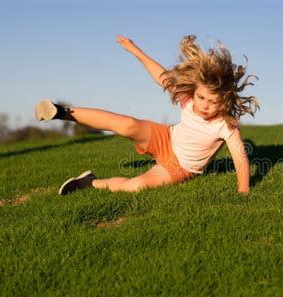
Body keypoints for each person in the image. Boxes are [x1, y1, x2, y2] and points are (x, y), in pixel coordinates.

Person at [35, 34, 259, 195]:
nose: (205, 106)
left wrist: (243, 191)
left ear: (225, 100)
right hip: (166, 138)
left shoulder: (225, 125)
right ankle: (61, 111)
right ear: (196, 91)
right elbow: (162, 76)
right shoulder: (189, 99)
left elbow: (240, 158)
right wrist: (135, 50)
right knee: (127, 124)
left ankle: (89, 183)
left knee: (137, 187)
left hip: (179, 168)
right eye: (201, 98)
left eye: (213, 102)